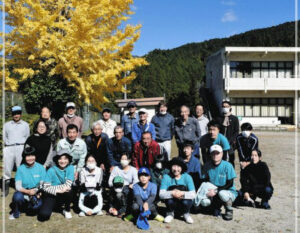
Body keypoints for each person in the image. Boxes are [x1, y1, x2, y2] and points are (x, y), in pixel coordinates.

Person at [200, 145, 237, 221]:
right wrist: (207, 191)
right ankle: (215, 207)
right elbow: (204, 180)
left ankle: (228, 210)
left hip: (227, 191)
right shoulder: (207, 165)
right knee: (204, 202)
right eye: (213, 153)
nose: (215, 155)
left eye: (218, 153)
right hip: (213, 191)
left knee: (222, 194)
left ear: (222, 154)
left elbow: (230, 183)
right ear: (210, 154)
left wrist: (216, 190)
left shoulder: (228, 165)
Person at [9, 146, 46, 220]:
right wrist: (28, 191)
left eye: (32, 155)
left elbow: (43, 183)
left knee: (35, 207)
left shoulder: (41, 167)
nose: (30, 158)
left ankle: (27, 206)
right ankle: (16, 212)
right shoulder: (20, 169)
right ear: (24, 157)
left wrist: (35, 191)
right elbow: (18, 186)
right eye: (28, 156)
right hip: (23, 191)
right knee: (17, 197)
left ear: (35, 156)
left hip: (36, 191)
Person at [38, 150, 74, 220]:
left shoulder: (71, 168)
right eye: (60, 158)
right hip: (51, 194)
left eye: (65, 158)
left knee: (69, 191)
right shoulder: (51, 170)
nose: (63, 161)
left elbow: (68, 185)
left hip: (64, 194)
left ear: (69, 160)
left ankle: (67, 210)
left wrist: (54, 188)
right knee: (43, 215)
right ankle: (54, 207)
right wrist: (58, 190)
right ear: (57, 160)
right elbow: (45, 187)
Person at [3, 106, 30, 197]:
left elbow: (27, 137)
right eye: (14, 113)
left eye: (18, 113)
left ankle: (20, 187)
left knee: (20, 167)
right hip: (9, 147)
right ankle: (5, 187)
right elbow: (4, 137)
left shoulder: (25, 125)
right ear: (12, 114)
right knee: (7, 167)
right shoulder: (6, 125)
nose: (16, 115)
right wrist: (7, 146)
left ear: (21, 114)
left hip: (21, 147)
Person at [159, 157, 196, 224]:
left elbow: (193, 194)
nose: (176, 169)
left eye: (178, 166)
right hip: (172, 202)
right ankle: (170, 213)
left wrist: (182, 193)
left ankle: (186, 214)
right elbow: (161, 194)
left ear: (182, 168)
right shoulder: (166, 177)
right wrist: (172, 193)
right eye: (174, 166)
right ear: (170, 167)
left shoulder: (187, 177)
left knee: (186, 202)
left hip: (184, 201)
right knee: (169, 201)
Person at [108, 153, 139, 218]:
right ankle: (112, 207)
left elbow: (136, 181)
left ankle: (123, 210)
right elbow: (110, 181)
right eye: (122, 159)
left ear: (129, 160)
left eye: (125, 159)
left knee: (125, 193)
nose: (123, 160)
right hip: (117, 186)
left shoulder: (133, 170)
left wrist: (132, 185)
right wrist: (115, 184)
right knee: (114, 192)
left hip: (128, 188)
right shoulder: (116, 169)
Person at [216, 99, 239, 168]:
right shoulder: (218, 118)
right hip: (220, 143)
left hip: (230, 143)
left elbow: (236, 131)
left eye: (227, 106)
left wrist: (230, 141)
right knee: (220, 159)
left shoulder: (234, 118)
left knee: (231, 159)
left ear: (230, 107)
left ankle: (231, 175)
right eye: (223, 106)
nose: (225, 108)